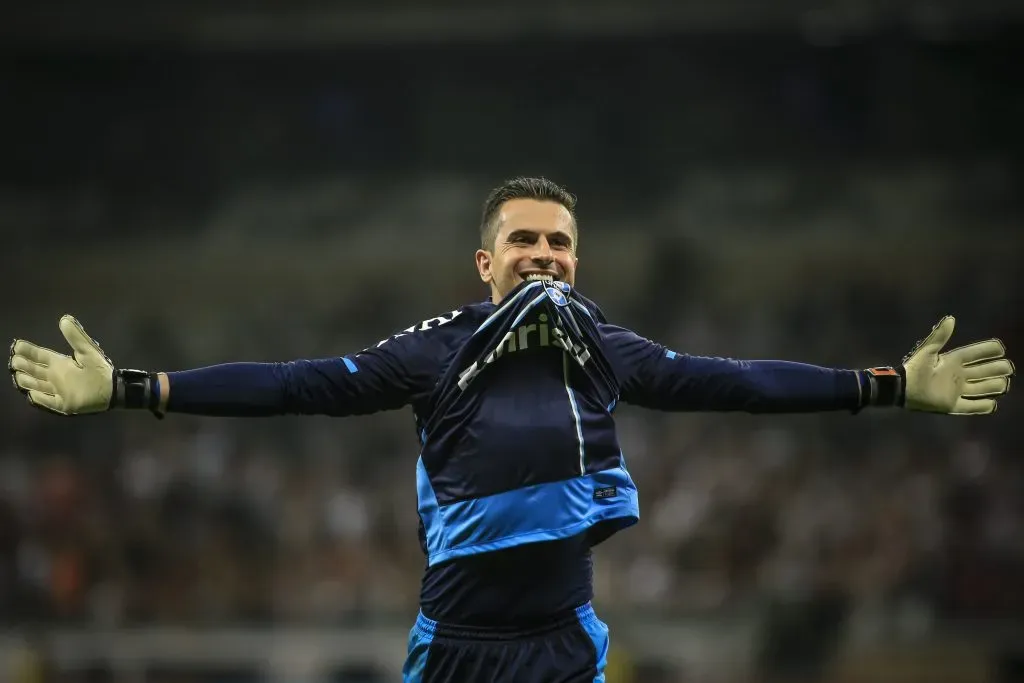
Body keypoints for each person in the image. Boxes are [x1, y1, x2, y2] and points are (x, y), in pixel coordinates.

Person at [8, 177, 1015, 683]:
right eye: (523, 239)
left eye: (560, 241)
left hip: (564, 646)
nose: (544, 253)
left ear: (577, 258)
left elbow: (735, 381)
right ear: (484, 262)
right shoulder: (433, 350)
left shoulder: (603, 345)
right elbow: (296, 384)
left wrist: (885, 385)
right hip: (454, 646)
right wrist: (132, 387)